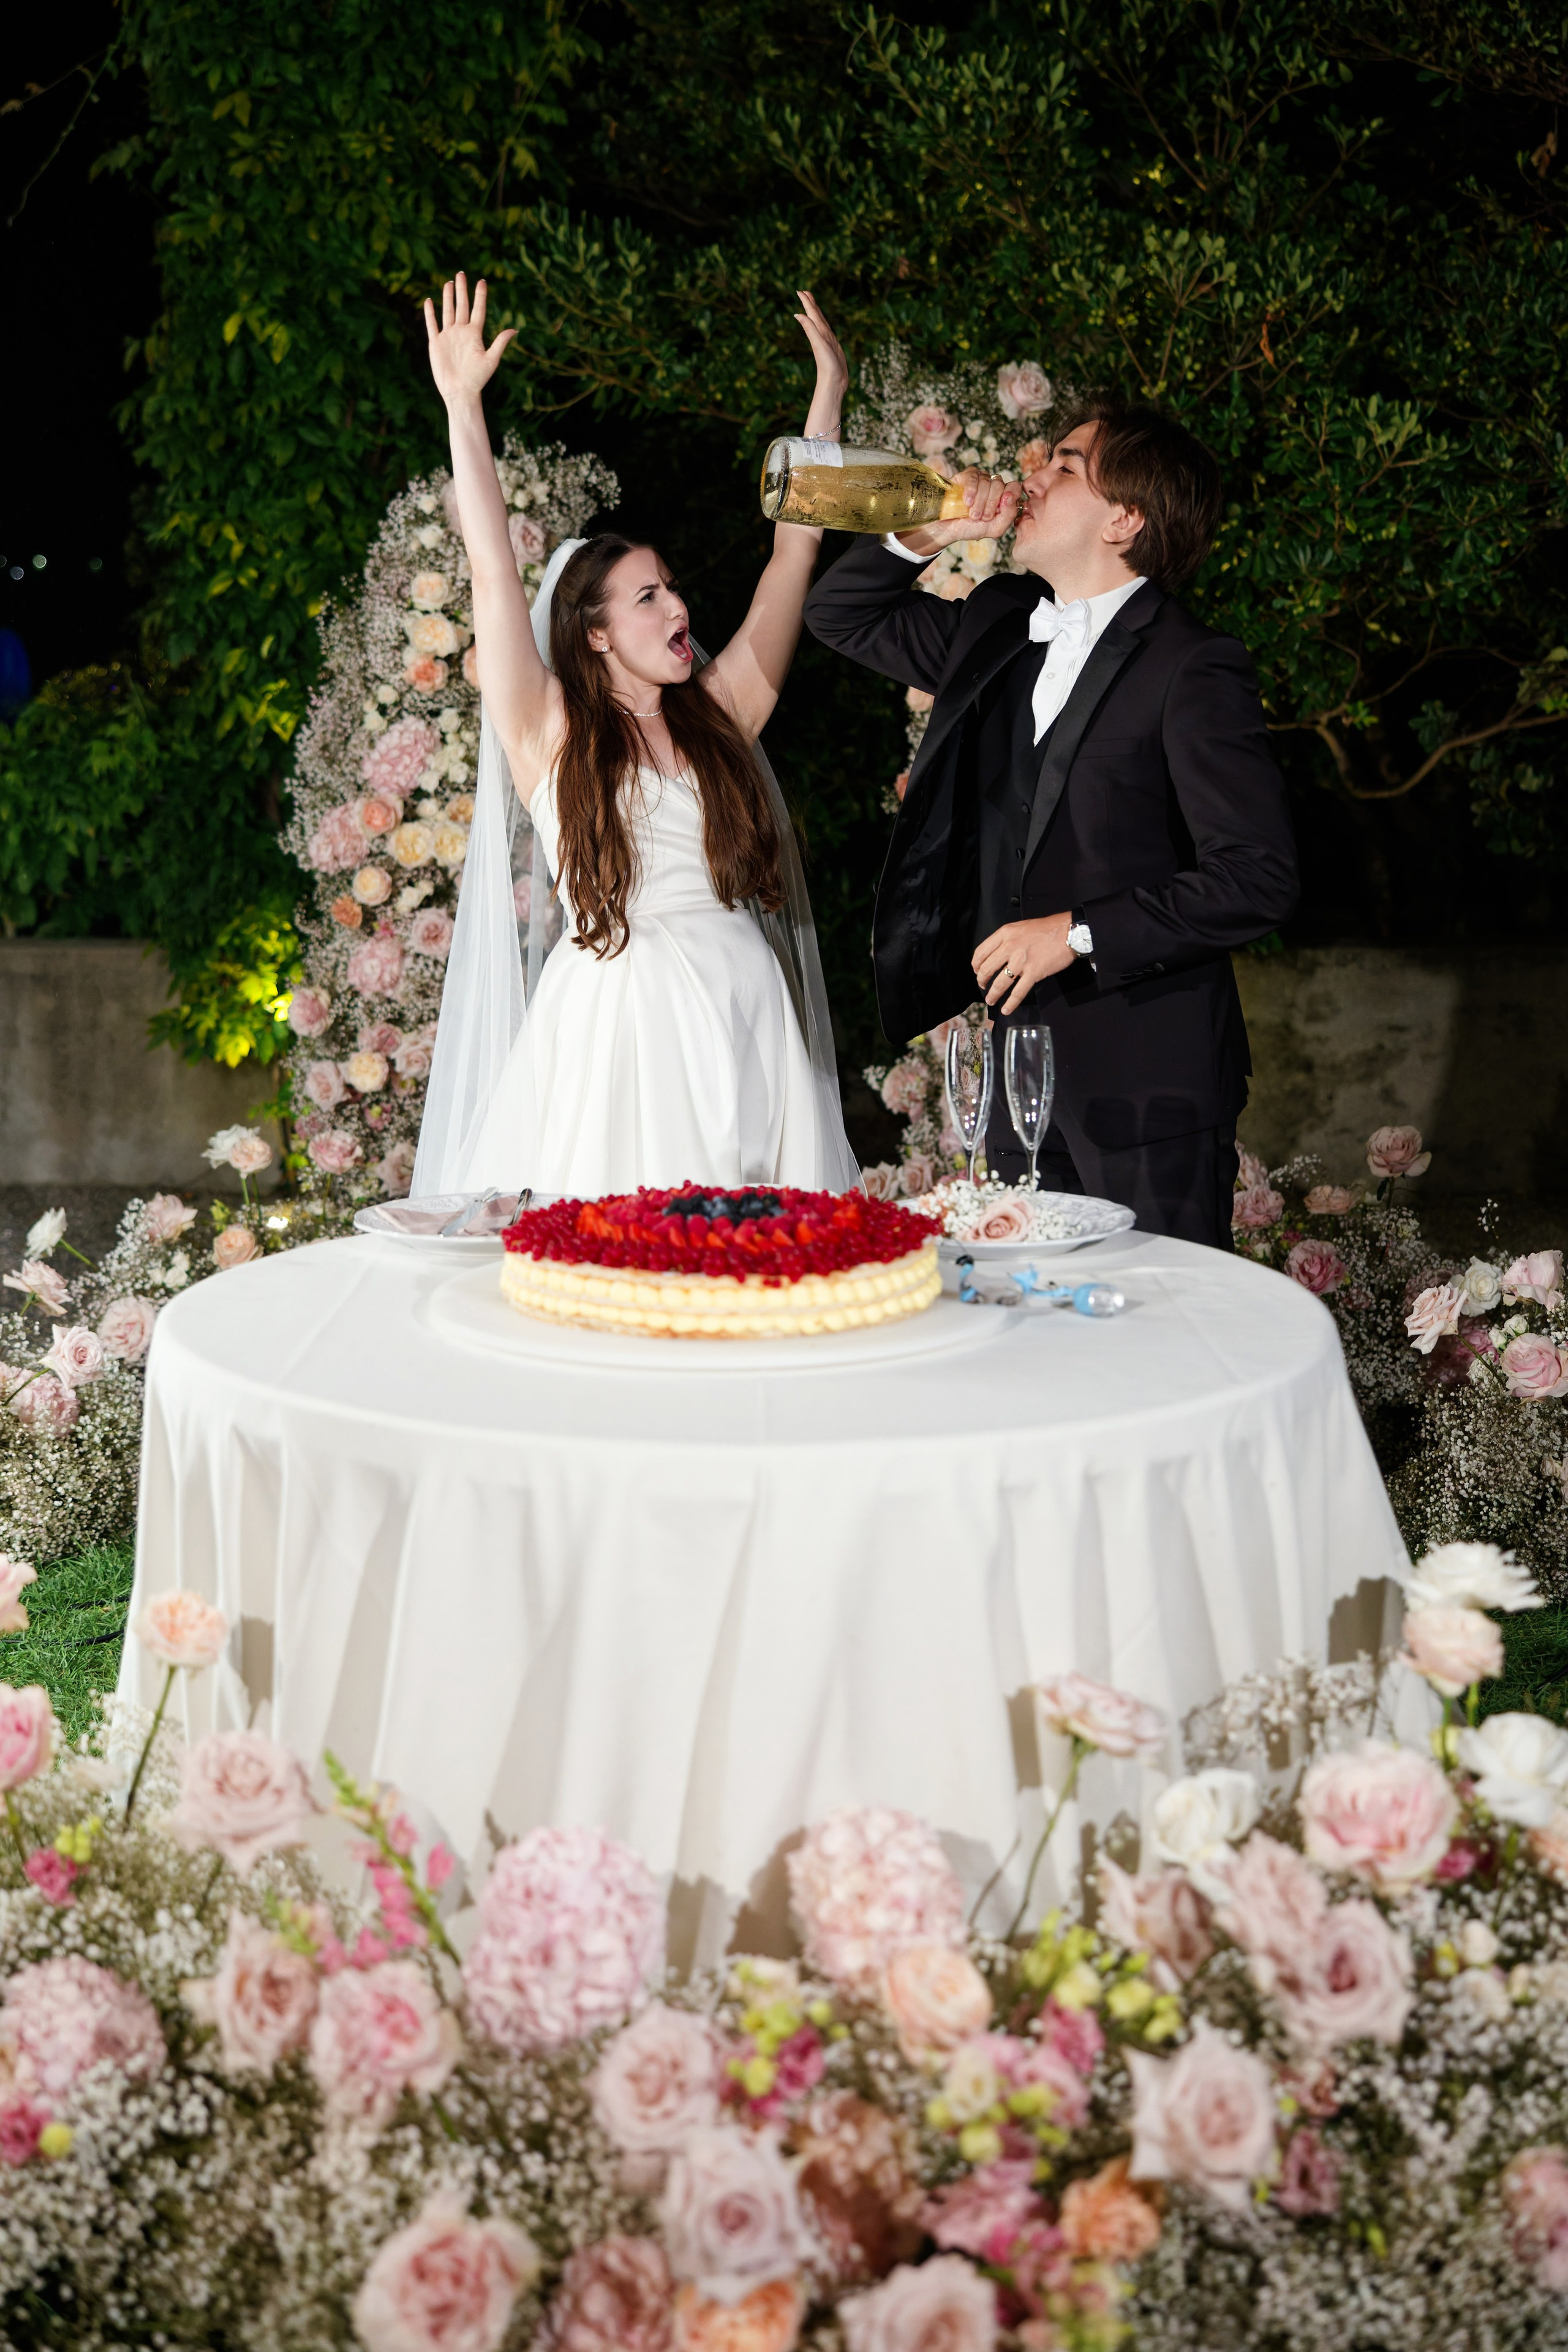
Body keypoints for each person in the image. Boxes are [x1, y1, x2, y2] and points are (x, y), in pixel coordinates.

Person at [802, 402, 1298, 1249]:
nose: (1032, 476)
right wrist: (937, 528)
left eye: (1065, 467)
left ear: (1125, 519)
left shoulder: (1193, 665)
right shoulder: (998, 624)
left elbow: (1258, 877)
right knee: (1033, 1334)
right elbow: (841, 615)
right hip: (1018, 1080)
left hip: (1150, 1085)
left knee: (1159, 1337)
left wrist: (1074, 934)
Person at [415, 273, 858, 1199]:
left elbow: (793, 553)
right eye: (649, 596)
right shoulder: (550, 733)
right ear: (597, 633)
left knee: (761, 1264)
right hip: (622, 1027)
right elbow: (494, 572)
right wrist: (463, 405)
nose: (680, 607)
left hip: (746, 1014)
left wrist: (829, 399)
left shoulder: (722, 713)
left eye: (675, 587)